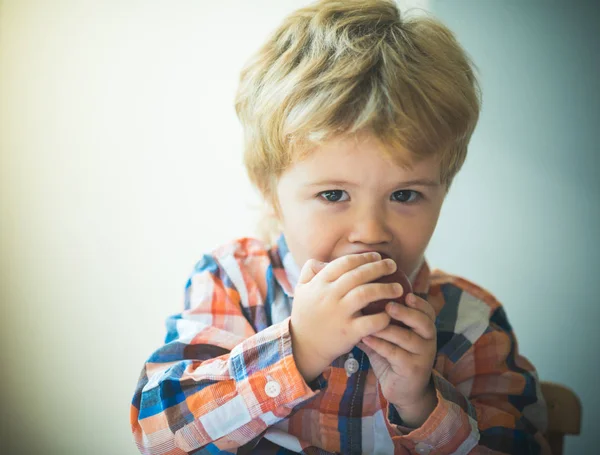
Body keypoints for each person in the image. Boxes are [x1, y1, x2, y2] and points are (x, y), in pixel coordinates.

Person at [130, 0, 551, 453]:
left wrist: (422, 402)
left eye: (405, 195)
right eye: (333, 195)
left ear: (443, 190)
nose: (370, 231)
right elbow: (159, 434)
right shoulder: (233, 284)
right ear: (271, 192)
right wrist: (300, 350)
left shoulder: (472, 324)